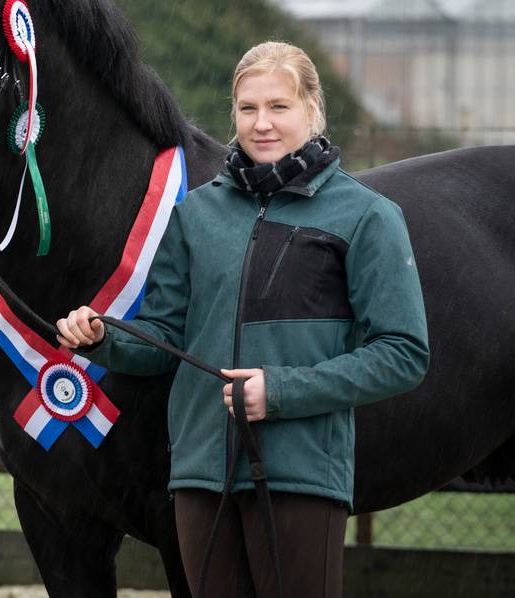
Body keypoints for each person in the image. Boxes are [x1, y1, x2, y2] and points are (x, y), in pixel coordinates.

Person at [56, 41, 429, 598]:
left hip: (303, 474)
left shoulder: (367, 216)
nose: (262, 124)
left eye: (279, 107)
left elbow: (403, 353)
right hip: (201, 474)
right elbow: (162, 342)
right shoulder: (197, 215)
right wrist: (102, 339)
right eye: (248, 108)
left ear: (312, 108)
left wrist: (279, 392)